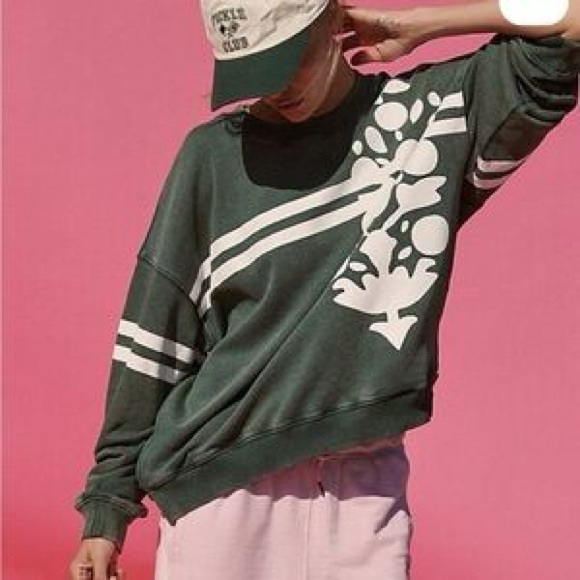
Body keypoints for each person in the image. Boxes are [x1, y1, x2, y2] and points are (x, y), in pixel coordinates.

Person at [69, 1, 580, 579]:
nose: (274, 86)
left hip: (362, 489)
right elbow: (155, 332)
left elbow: (569, 18)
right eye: (251, 69)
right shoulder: (210, 157)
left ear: (333, 20)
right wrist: (107, 504)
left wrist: (419, 24)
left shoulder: (433, 117)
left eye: (285, 59)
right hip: (219, 489)